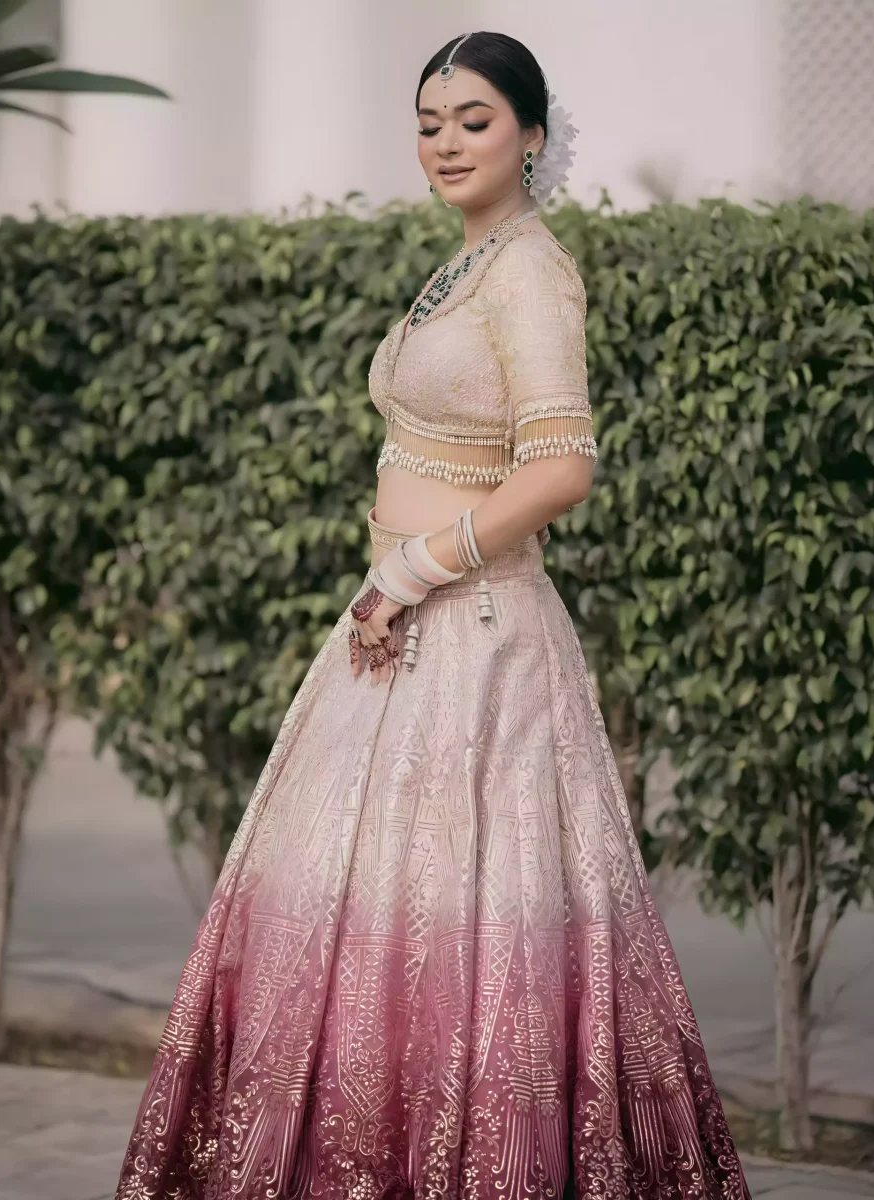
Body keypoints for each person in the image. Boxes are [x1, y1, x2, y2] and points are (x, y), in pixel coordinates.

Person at [114, 31, 751, 1200]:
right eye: (429, 121)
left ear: (533, 136)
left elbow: (561, 468)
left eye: (474, 120)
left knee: (467, 944)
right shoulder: (464, 263)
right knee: (354, 931)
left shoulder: (528, 271)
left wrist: (410, 571)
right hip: (399, 639)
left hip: (479, 643)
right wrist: (391, 587)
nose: (446, 142)